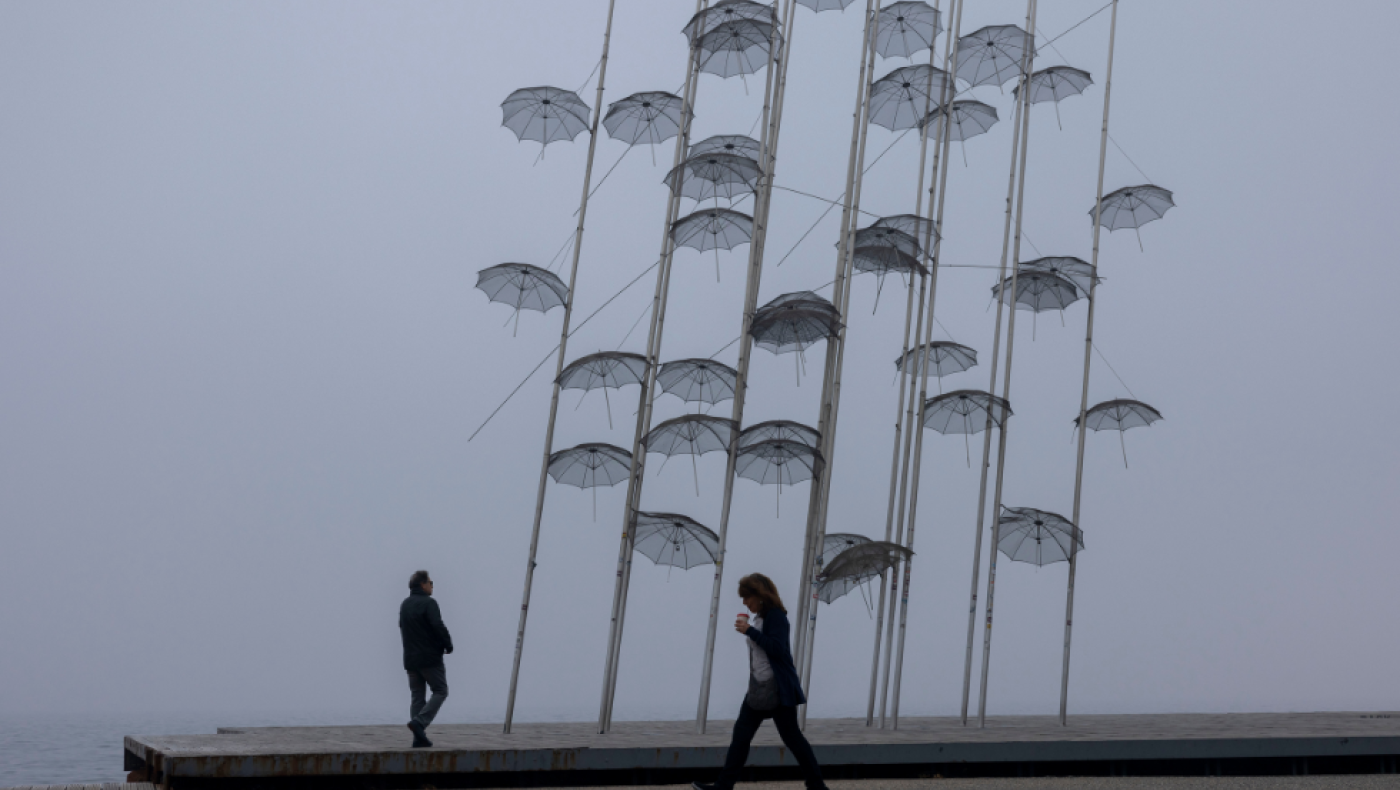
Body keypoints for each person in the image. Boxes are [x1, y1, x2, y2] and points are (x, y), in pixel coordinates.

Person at [693, 573, 827, 790]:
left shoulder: (777, 617)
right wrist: (751, 630)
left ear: (760, 595)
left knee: (793, 739)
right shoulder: (759, 618)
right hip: (758, 689)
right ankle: (723, 786)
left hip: (779, 689)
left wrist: (750, 632)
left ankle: (817, 786)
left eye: (747, 598)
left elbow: (778, 649)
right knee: (740, 737)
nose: (744, 603)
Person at [400, 569, 453, 748]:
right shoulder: (429, 603)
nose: (432, 586)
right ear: (422, 584)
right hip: (429, 658)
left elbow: (403, 628)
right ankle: (420, 723)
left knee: (417, 697)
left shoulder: (405, 605)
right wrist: (448, 644)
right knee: (441, 691)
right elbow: (437, 625)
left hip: (410, 660)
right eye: (431, 583)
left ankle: (418, 738)